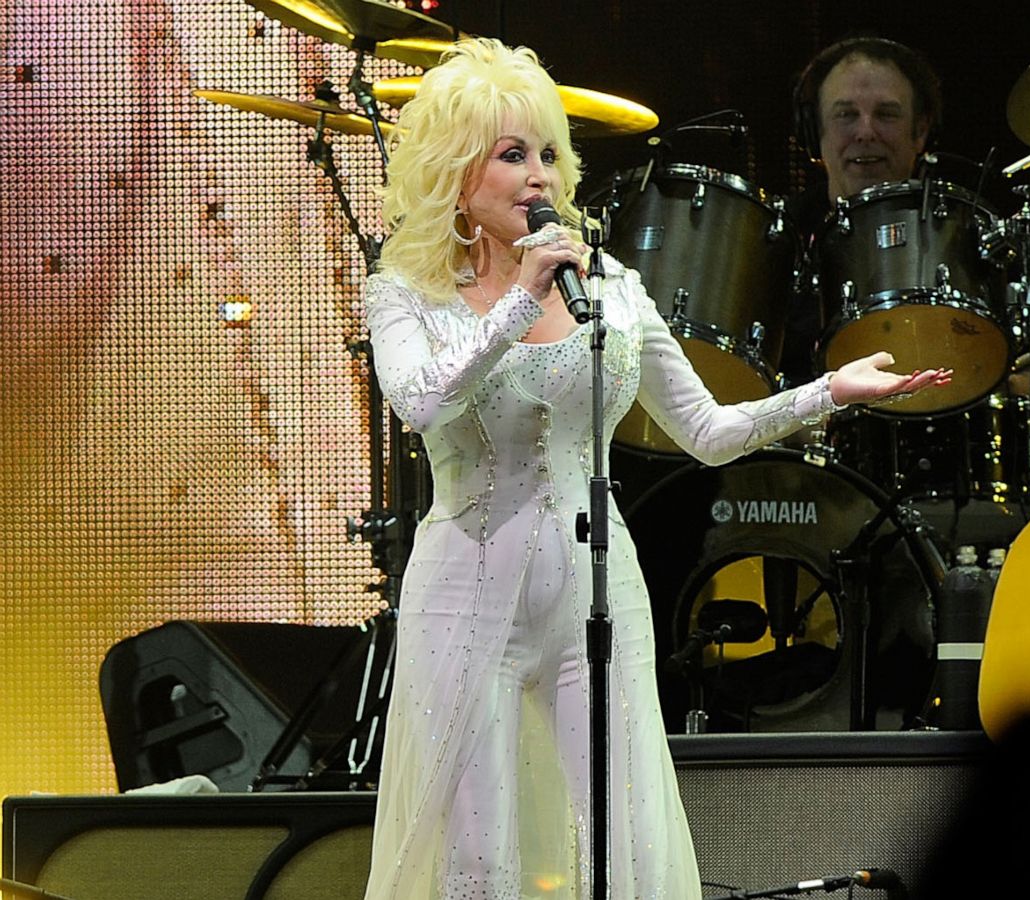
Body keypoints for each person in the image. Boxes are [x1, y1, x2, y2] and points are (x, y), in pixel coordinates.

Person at [360, 38, 948, 900]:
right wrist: (521, 295)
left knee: (623, 833)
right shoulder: (405, 293)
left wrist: (829, 391)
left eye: (550, 155)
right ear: (455, 171)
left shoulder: (609, 287)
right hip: (462, 593)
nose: (539, 177)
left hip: (595, 588)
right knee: (476, 855)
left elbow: (707, 431)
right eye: (512, 154)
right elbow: (422, 402)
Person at [781, 36, 940, 384]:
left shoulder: (964, 232)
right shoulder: (777, 238)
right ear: (814, 133)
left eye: (886, 114)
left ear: (920, 130)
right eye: (845, 115)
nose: (865, 131)